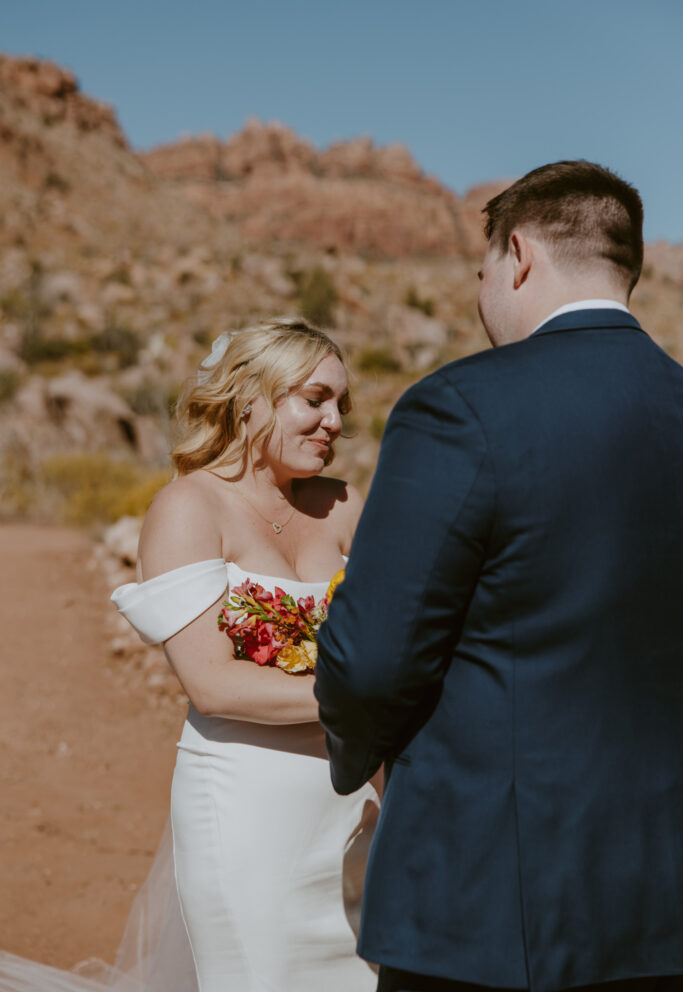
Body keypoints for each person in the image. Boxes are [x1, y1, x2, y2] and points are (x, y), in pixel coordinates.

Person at [314, 161, 683, 992]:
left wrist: (362, 751)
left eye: (481, 271)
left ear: (516, 255)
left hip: (492, 903)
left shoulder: (459, 407)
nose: (482, 293)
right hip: (663, 905)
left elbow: (372, 660)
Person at [0, 319, 378, 992]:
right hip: (247, 809)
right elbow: (213, 685)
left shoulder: (346, 507)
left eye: (340, 406)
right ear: (250, 398)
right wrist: (375, 699)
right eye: (314, 398)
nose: (333, 422)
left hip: (356, 809)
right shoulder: (188, 507)